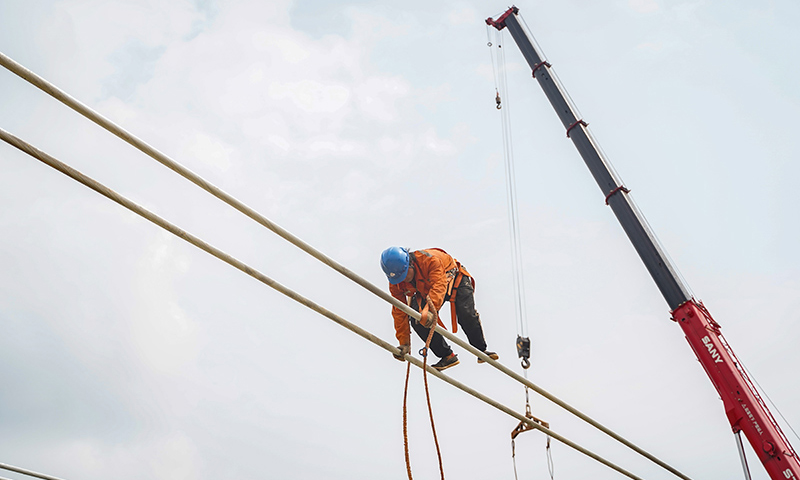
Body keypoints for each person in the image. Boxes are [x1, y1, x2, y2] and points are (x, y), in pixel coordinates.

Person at [380, 246, 498, 371]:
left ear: (411, 263)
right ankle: (447, 356)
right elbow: (399, 310)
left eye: (404, 275)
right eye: (399, 278)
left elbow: (439, 286)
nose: (403, 280)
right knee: (417, 319)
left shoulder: (429, 261)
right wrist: (404, 343)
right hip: (426, 288)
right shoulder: (396, 282)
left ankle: (481, 350)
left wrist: (430, 311)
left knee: (466, 314)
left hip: (454, 278)